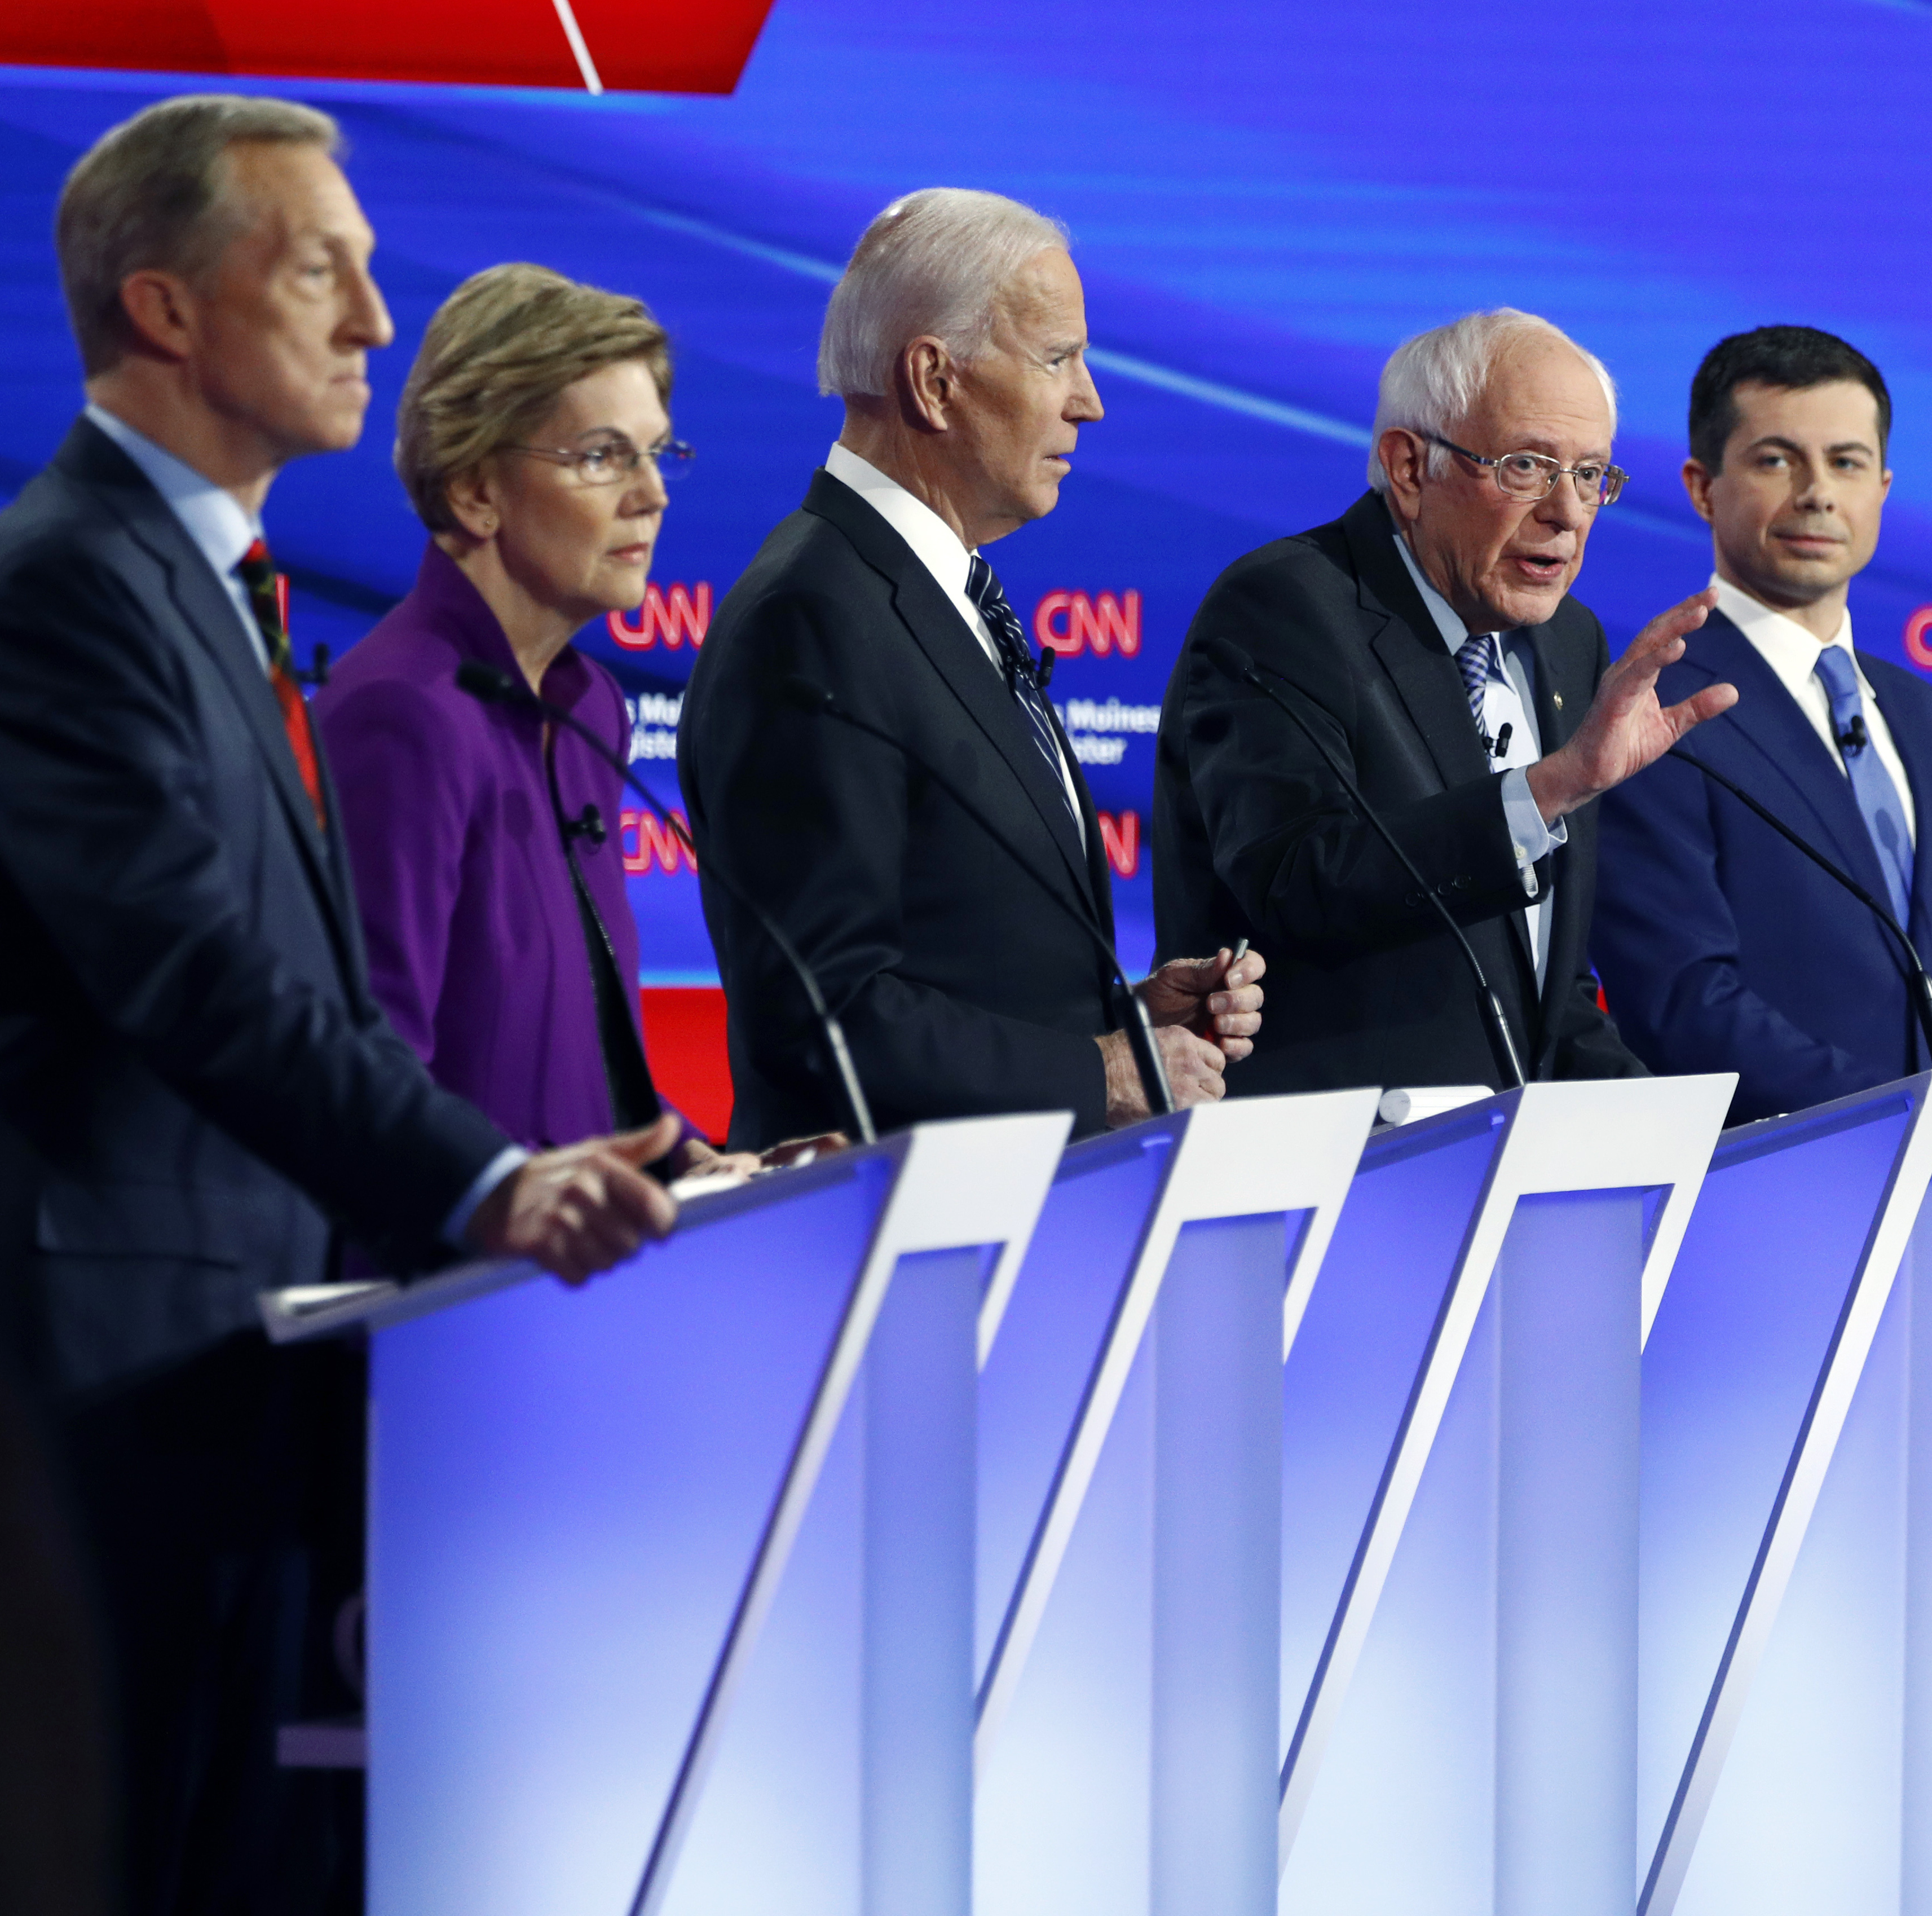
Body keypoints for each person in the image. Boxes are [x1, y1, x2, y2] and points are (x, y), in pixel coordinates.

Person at [0, 95, 680, 1915]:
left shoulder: (226, 585)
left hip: (247, 1377)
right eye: (323, 272)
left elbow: (303, 991)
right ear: (164, 307)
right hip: (111, 1394)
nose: (378, 324)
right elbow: (193, 977)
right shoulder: (67, 582)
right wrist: (486, 1181)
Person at [681, 188, 1265, 1142]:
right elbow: (823, 1015)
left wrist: (1128, 1020)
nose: (1092, 399)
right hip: (882, 1242)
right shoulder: (814, 615)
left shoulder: (929, 591)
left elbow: (959, 954)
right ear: (934, 381)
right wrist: (1095, 1071)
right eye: (1057, 358)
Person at [1153, 308, 1732, 1095]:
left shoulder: (1570, 642)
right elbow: (1295, 883)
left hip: (1501, 1172)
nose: (1567, 513)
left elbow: (1540, 989)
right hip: (1338, 1166)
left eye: (1592, 475)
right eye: (1528, 467)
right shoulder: (1287, 608)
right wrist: (1551, 789)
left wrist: (1674, 1132)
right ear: (1408, 468)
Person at [314, 264, 749, 1175]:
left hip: (578, 1282)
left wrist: (686, 1163)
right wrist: (519, 1195)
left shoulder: (589, 708)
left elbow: (582, 1063)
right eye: (601, 455)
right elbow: (371, 1081)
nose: (651, 494)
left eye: (657, 452)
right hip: (453, 1288)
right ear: (476, 489)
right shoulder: (399, 716)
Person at [1589, 326, 1932, 1122]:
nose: (1817, 493)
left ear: (1883, 488)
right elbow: (1681, 999)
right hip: (1765, 1178)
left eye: (1847, 462)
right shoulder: (1657, 707)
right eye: (1775, 459)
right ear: (1702, 487)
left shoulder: (1925, 714)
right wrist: (1901, 1115)